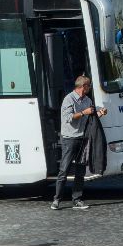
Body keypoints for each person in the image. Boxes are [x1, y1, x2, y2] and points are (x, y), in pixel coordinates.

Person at [52, 75, 103, 210]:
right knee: (64, 169)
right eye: (88, 85)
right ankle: (57, 200)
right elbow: (68, 118)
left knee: (80, 171)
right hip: (69, 138)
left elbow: (91, 115)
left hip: (83, 138)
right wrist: (83, 112)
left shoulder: (87, 100)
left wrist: (100, 112)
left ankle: (77, 199)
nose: (89, 88)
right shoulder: (69, 99)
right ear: (82, 86)